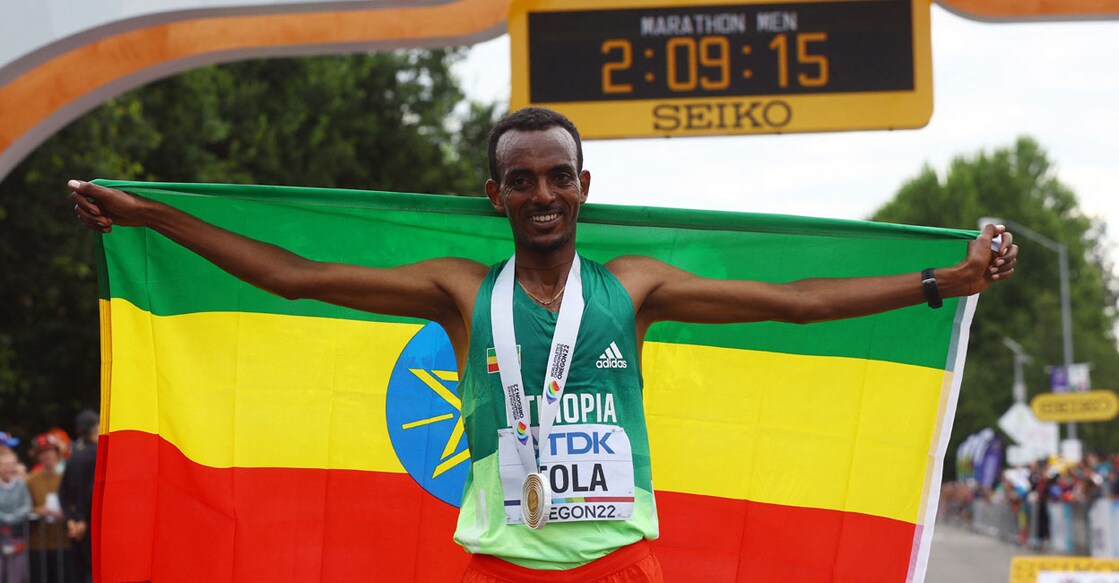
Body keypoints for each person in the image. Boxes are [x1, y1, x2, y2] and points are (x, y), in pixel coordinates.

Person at [70, 107, 1017, 582]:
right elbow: (294, 276)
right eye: (520, 180)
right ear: (496, 195)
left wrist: (940, 282)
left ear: (583, 182)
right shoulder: (456, 291)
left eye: (556, 176)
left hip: (616, 557)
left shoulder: (633, 286)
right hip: (502, 559)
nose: (541, 194)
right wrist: (151, 216)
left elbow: (796, 302)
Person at [59, 410, 98, 583]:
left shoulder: (72, 452)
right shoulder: (96, 453)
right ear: (95, 428)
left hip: (74, 524)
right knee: (92, 569)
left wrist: (70, 519)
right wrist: (83, 519)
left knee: (77, 571)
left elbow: (63, 490)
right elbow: (89, 489)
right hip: (88, 522)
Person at [25, 434, 67, 583]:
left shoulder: (67, 476)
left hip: (64, 542)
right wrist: (39, 511)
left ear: (56, 452)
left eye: (49, 451)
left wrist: (66, 513)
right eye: (42, 452)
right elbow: (24, 507)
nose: (46, 455)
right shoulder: (31, 479)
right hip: (39, 543)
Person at [0, 447, 32, 583]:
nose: (8, 469)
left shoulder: (21, 485)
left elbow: (27, 505)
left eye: (11, 465)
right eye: (5, 466)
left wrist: (14, 517)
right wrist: (5, 517)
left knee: (16, 575)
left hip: (17, 536)